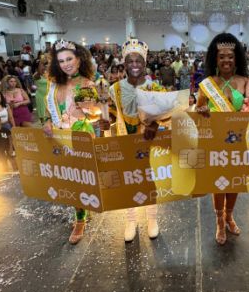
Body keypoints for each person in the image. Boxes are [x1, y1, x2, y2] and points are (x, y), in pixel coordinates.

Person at [196, 33, 249, 247]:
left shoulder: (246, 82)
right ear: (215, 59)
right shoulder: (207, 84)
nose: (226, 60)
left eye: (230, 56)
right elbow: (198, 108)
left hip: (238, 142)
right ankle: (219, 221)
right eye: (221, 57)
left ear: (237, 59)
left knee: (235, 182)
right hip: (215, 143)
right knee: (219, 184)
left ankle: (229, 216)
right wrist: (201, 110)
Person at [44, 39, 103, 245]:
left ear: (79, 59)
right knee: (68, 179)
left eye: (69, 59)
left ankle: (80, 220)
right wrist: (47, 121)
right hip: (59, 137)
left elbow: (93, 115)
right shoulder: (54, 84)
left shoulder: (86, 83)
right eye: (61, 61)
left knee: (79, 179)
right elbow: (48, 109)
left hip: (80, 135)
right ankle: (82, 211)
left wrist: (92, 109)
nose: (66, 64)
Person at [108, 39, 163, 242]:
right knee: (128, 180)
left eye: (138, 60)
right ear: (124, 64)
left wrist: (155, 125)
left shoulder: (154, 87)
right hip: (125, 140)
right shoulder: (115, 89)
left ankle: (152, 218)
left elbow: (164, 116)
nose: (134, 65)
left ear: (145, 63)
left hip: (148, 142)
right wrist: (105, 122)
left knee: (149, 179)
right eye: (130, 61)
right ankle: (131, 220)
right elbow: (112, 115)